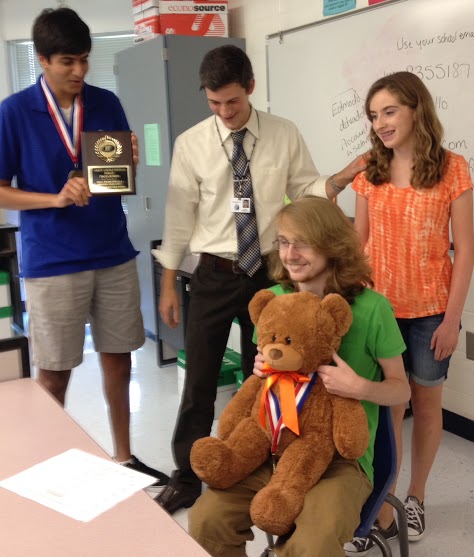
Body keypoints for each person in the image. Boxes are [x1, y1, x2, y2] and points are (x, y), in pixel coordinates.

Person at [155, 44, 366, 514]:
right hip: (212, 273)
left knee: (276, 377)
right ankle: (187, 476)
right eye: (214, 103)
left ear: (250, 88)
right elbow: (177, 218)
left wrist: (342, 178)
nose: (225, 112)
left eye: (232, 101)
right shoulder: (191, 143)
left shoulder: (283, 133)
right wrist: (168, 281)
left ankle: (265, 463)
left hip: (271, 275)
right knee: (199, 382)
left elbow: (307, 189)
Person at [0, 7, 169, 488]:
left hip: (112, 252)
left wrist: (129, 164)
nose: (79, 72)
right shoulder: (14, 112)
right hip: (52, 260)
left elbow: (116, 181)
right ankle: (47, 466)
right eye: (68, 62)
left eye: (85, 60)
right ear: (41, 59)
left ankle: (124, 459)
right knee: (55, 372)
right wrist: (54, 197)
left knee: (119, 359)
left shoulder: (106, 102)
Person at [188, 196, 411, 557]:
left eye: (302, 243)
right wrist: (259, 372)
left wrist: (360, 387)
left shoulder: (373, 309)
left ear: (332, 246)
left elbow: (402, 391)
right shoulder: (273, 300)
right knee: (207, 520)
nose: (290, 254)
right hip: (269, 448)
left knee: (311, 544)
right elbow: (266, 378)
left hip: (341, 460)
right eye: (284, 242)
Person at [344, 71, 473, 554]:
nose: (380, 123)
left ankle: (414, 497)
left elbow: (466, 251)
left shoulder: (453, 169)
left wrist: (451, 319)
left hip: (431, 315)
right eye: (374, 115)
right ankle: (382, 502)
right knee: (387, 410)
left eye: (390, 111)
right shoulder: (369, 173)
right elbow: (357, 247)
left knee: (426, 405)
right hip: (379, 314)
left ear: (416, 108)